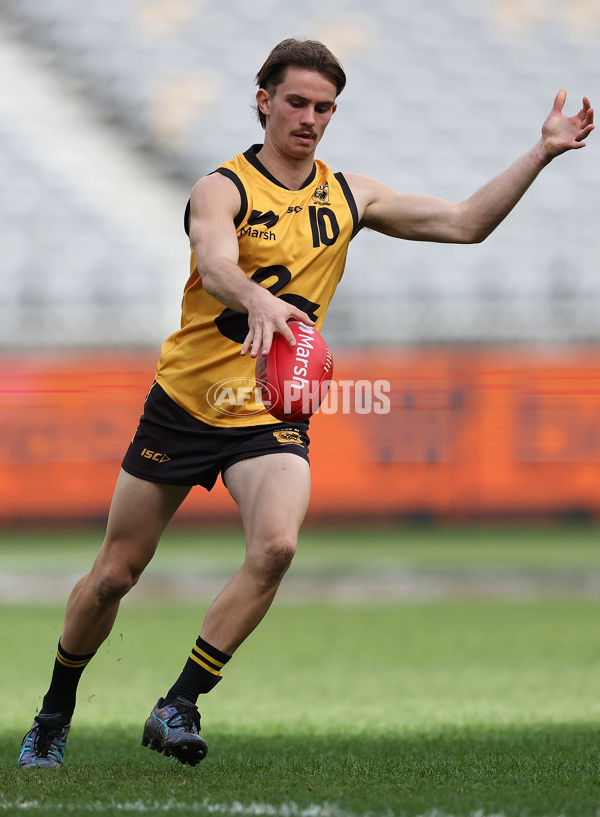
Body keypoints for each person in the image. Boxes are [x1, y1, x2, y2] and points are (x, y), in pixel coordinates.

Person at [18, 38, 594, 769]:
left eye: (324, 108)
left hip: (269, 414)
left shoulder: (349, 194)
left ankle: (178, 704)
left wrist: (539, 154)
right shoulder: (222, 187)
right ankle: (54, 712)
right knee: (114, 576)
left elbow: (465, 223)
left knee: (278, 547)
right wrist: (260, 301)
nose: (310, 118)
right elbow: (216, 262)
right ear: (264, 101)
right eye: (297, 102)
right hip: (188, 403)